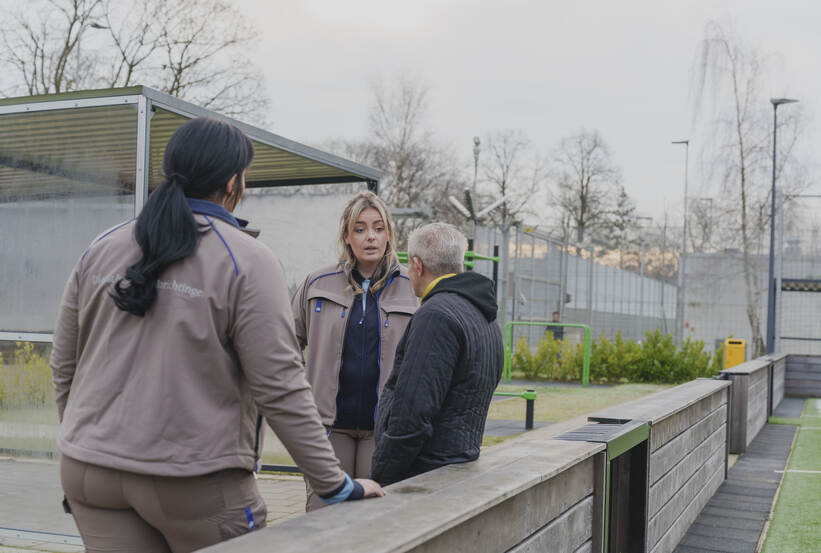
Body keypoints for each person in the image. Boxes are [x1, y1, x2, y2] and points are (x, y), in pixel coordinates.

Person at [50, 118, 383, 553]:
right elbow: (280, 387)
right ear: (233, 182)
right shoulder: (246, 258)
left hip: (90, 474)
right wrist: (335, 484)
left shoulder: (103, 246)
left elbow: (64, 366)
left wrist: (86, 440)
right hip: (192, 482)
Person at [292, 190, 419, 510]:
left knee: (374, 516)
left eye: (378, 228)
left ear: (389, 233)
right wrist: (300, 396)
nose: (370, 237)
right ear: (346, 236)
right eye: (360, 229)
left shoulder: (411, 286)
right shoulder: (317, 283)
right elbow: (286, 343)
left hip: (384, 429)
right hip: (328, 426)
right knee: (323, 513)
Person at [370, 223, 503, 486]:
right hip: (459, 468)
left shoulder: (435, 316)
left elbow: (412, 415)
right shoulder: (484, 316)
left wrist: (381, 477)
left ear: (418, 266)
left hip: (423, 477)